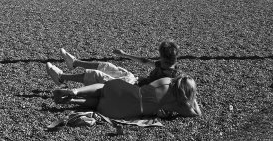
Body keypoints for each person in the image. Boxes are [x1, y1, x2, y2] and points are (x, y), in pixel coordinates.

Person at [52, 75, 202, 119]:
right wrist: (192, 99)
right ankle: (72, 101)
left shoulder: (167, 80)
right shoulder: (177, 104)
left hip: (130, 91)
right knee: (97, 105)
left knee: (104, 89)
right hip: (128, 109)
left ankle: (76, 91)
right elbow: (197, 115)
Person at [46, 40, 182, 87]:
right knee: (107, 66)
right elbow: (145, 61)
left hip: (133, 89)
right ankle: (74, 63)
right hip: (134, 80)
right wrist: (124, 55)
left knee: (97, 75)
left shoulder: (172, 78)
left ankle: (61, 77)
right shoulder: (164, 64)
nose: (159, 59)